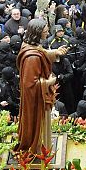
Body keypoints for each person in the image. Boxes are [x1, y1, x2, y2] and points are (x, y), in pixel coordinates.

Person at [16, 19, 68, 155]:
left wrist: (55, 52)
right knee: (38, 125)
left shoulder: (31, 45)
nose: (47, 33)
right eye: (45, 31)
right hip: (35, 101)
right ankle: (37, 146)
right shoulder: (31, 58)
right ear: (38, 33)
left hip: (39, 97)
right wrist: (49, 82)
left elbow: (42, 52)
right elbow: (29, 85)